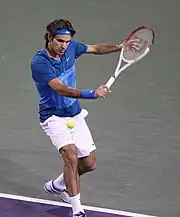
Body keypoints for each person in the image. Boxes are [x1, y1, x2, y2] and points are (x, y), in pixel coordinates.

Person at [31, 19, 136, 217]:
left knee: (88, 164)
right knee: (70, 156)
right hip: (52, 116)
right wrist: (91, 93)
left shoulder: (71, 48)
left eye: (67, 42)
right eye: (60, 41)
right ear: (49, 38)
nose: (64, 46)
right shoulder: (39, 63)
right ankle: (77, 210)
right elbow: (61, 89)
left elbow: (96, 48)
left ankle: (58, 185)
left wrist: (120, 47)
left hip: (74, 114)